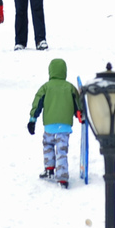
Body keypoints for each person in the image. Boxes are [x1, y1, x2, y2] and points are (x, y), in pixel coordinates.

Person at [27, 57, 83, 188]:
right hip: (64, 127)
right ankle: (62, 178)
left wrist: (32, 120)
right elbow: (77, 104)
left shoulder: (46, 88)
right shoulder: (70, 88)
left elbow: (37, 104)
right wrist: (80, 114)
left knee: (48, 146)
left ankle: (49, 169)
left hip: (49, 127)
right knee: (61, 151)